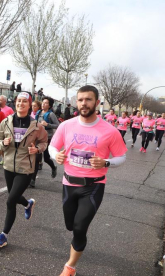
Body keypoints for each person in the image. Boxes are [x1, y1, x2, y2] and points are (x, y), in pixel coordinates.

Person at [49, 85, 127, 276]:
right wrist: (55, 156)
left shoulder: (109, 131)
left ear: (97, 103)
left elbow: (121, 156)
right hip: (69, 183)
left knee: (79, 227)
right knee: (70, 225)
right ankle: (75, 244)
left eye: (88, 99)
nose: (84, 103)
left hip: (93, 186)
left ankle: (70, 267)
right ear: (77, 102)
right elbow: (52, 146)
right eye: (81, 99)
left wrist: (105, 162)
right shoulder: (66, 125)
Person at [0, 92, 48, 248]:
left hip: (25, 168)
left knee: (10, 200)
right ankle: (27, 204)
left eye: (24, 101)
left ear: (29, 105)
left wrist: (37, 149)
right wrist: (3, 142)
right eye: (18, 101)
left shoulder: (36, 126)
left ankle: (3, 236)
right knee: (14, 197)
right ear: (15, 103)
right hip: (8, 166)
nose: (21, 104)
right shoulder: (6, 121)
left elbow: (44, 142)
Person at [30, 96, 59, 188]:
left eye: (46, 103)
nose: (43, 104)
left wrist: (48, 124)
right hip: (37, 138)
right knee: (37, 158)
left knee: (46, 158)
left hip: (47, 138)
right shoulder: (38, 113)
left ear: (49, 105)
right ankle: (32, 180)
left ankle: (53, 167)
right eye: (43, 102)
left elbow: (58, 125)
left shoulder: (51, 115)